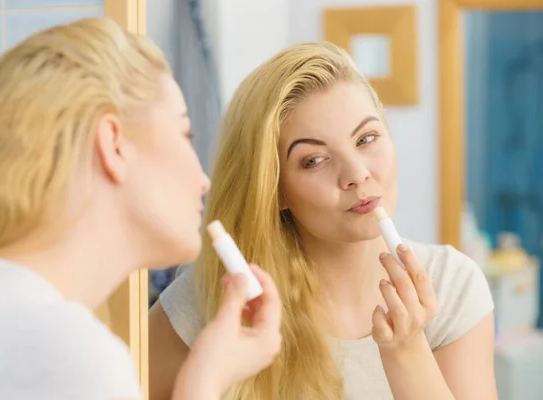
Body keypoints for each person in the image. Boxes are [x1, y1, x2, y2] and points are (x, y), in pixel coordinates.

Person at [0, 17, 281, 400]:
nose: (203, 177)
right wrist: (205, 379)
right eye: (186, 134)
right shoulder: (65, 352)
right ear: (114, 143)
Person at [149, 42, 497, 400]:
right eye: (314, 160)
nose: (357, 174)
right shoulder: (213, 302)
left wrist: (407, 351)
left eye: (366, 138)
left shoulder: (454, 287)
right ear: (276, 189)